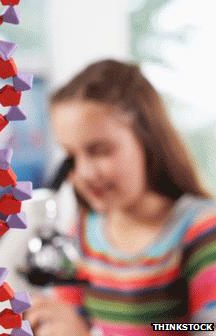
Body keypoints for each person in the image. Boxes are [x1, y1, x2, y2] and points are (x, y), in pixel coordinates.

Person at [23, 59, 216, 336]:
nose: (85, 172)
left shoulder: (202, 231)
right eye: (71, 157)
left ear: (147, 140)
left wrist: (151, 328)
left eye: (100, 150)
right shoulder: (80, 235)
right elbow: (71, 322)